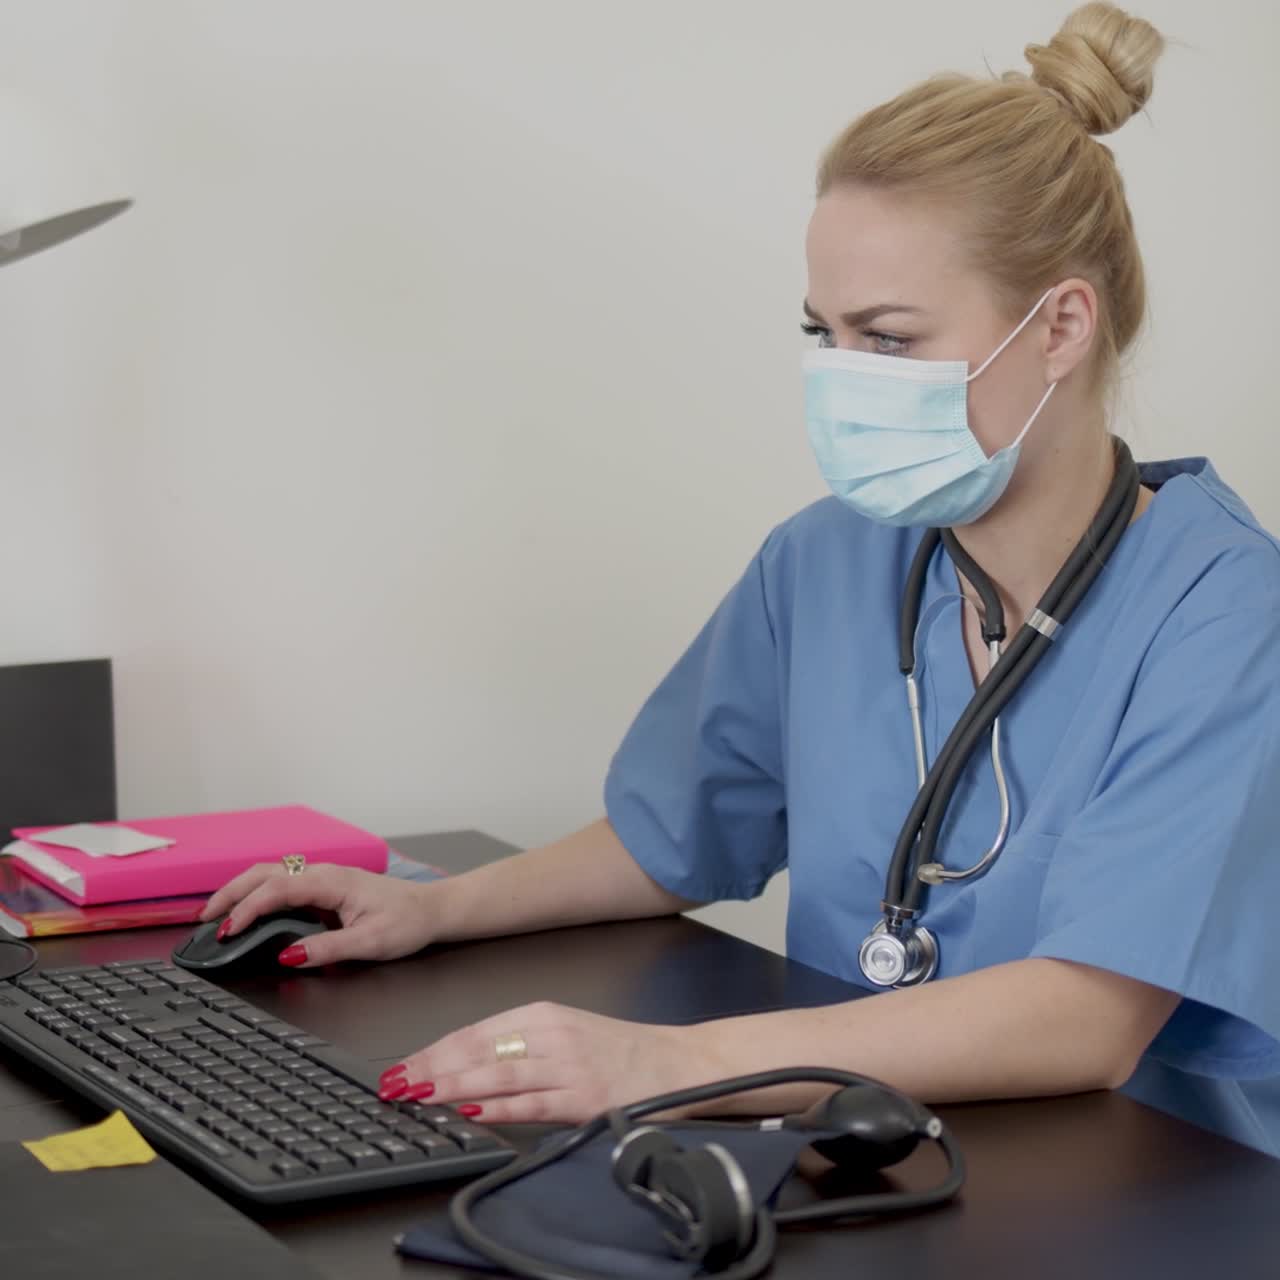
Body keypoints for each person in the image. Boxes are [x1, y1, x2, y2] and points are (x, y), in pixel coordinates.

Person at [202, 2, 1280, 1156]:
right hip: (864, 1148)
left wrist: (669, 1062)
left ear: (1059, 325)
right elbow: (673, 830)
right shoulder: (827, 559)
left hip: (1140, 1184)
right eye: (823, 334)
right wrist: (434, 906)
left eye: (887, 337)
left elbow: (1085, 1018)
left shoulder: (1222, 613)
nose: (842, 378)